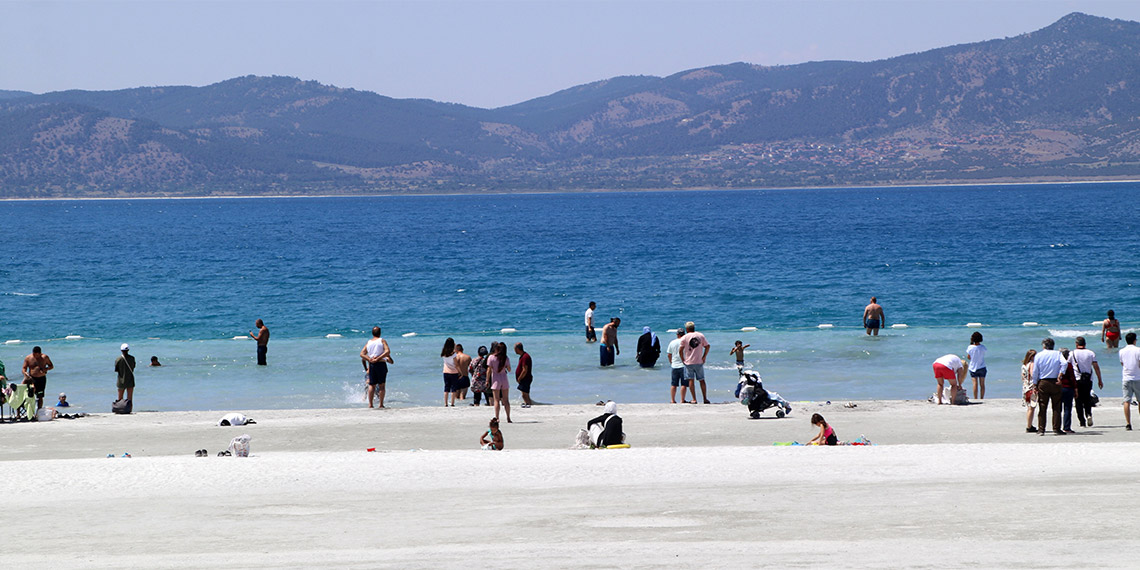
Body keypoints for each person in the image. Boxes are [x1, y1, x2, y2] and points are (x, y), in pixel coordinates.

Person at [1031, 337, 1067, 436]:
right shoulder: (1058, 354)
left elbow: (1035, 371)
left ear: (1044, 346)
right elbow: (1064, 363)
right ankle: (1056, 428)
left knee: (1042, 406)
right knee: (1056, 406)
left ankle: (1041, 429)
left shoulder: (1039, 355)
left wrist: (1034, 383)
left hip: (1043, 382)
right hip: (1055, 381)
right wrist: (1061, 374)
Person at [1069, 336, 1103, 428]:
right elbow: (1096, 367)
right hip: (1088, 379)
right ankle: (1088, 414)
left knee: (1078, 400)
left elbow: (1068, 366)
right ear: (1085, 344)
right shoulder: (1090, 353)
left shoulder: (1072, 353)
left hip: (1077, 379)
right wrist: (1100, 379)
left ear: (1076, 344)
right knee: (1087, 398)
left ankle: (1082, 422)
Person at [679, 321, 711, 404]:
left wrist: (682, 358)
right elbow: (707, 346)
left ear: (687, 329)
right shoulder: (700, 335)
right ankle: (705, 398)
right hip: (699, 361)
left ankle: (694, 399)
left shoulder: (685, 337)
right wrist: (704, 356)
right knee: (701, 380)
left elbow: (680, 349)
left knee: (691, 380)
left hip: (689, 362)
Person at [360, 326, 390, 409]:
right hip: (380, 364)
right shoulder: (382, 341)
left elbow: (362, 354)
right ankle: (381, 404)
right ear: (380, 333)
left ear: (372, 333)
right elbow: (387, 351)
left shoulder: (369, 342)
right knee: (382, 385)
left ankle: (370, 404)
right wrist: (378, 358)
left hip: (372, 365)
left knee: (371, 385)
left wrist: (369, 359)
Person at [21, 346, 54, 410]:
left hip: (41, 378)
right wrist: (25, 373)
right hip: (32, 378)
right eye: (34, 355)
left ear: (40, 353)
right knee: (30, 395)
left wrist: (46, 369)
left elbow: (51, 366)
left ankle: (39, 411)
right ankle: (30, 410)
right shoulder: (28, 358)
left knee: (40, 396)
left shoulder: (45, 357)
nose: (36, 356)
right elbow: (24, 368)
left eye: (37, 355)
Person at [487, 342, 512, 423]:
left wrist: (487, 380)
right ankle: (508, 417)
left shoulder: (491, 357)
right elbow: (509, 369)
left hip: (496, 379)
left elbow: (489, 370)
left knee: (496, 400)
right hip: (504, 378)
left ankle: (497, 418)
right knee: (506, 400)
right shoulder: (506, 358)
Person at [1120, 332, 1140, 431]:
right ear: (1135, 340)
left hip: (1126, 378)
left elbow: (1122, 363)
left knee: (1126, 401)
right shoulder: (1138, 350)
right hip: (1137, 378)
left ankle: (1128, 423)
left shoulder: (1122, 351)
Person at [666, 329, 688, 403]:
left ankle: (672, 400)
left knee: (674, 384)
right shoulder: (685, 342)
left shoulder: (672, 342)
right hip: (683, 365)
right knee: (684, 384)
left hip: (674, 365)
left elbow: (669, 354)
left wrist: (671, 362)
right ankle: (682, 399)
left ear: (677, 335)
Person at [1058, 348, 1077, 433]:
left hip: (1058, 388)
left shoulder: (1056, 365)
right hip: (1068, 387)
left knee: (1058, 408)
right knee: (1067, 408)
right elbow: (1072, 378)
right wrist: (1076, 389)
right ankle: (1066, 427)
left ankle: (1057, 426)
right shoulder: (1068, 365)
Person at [966, 331, 987, 399]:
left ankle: (975, 398)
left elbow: (968, 357)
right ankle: (982, 397)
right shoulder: (983, 347)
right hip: (982, 366)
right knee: (982, 384)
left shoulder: (970, 347)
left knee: (975, 384)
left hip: (973, 367)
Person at [1021, 349, 1037, 433]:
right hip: (1031, 387)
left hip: (1025, 387)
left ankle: (1029, 424)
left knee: (1029, 407)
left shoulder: (1024, 365)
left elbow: (1022, 378)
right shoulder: (1032, 364)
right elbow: (1033, 376)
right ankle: (1029, 426)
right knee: (1032, 407)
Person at [514, 343, 534, 407]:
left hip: (525, 378)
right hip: (524, 378)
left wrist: (519, 378)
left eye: (515, 349)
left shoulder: (525, 357)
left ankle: (528, 404)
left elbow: (525, 370)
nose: (514, 351)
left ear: (517, 349)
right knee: (524, 394)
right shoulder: (523, 356)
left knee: (525, 394)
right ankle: (527, 404)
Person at [441, 337, 459, 407]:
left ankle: (445, 403)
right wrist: (460, 371)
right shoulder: (453, 354)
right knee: (453, 388)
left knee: (446, 387)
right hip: (453, 371)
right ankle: (452, 403)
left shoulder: (444, 353)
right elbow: (456, 364)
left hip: (445, 371)